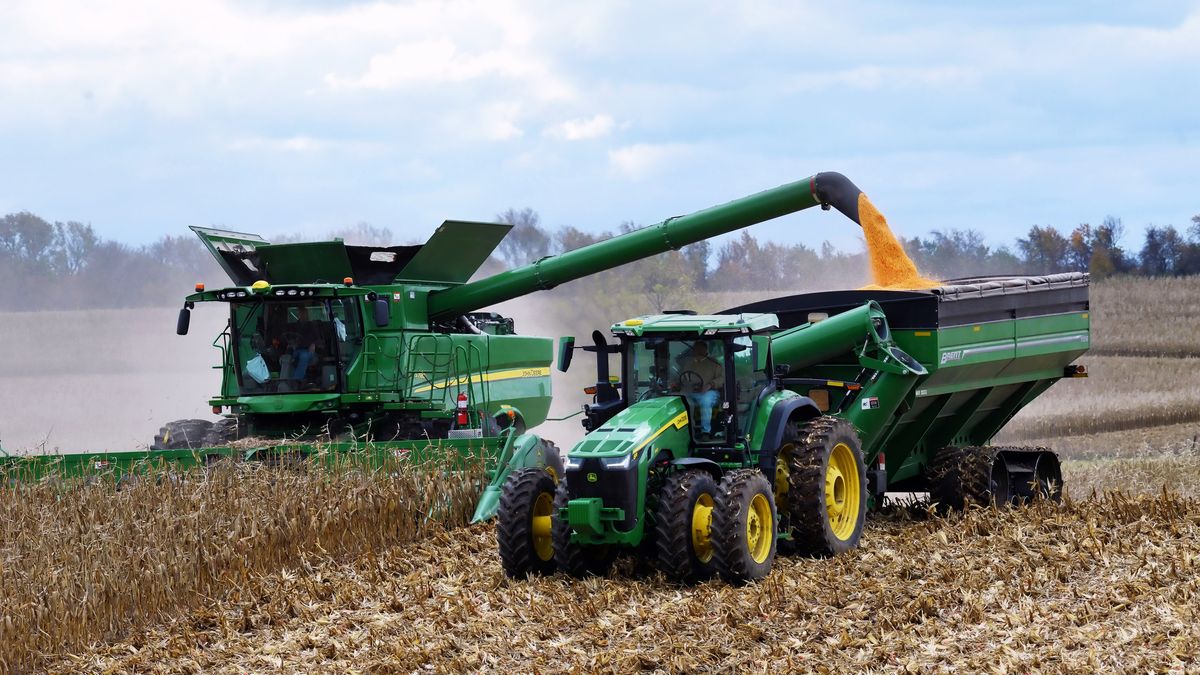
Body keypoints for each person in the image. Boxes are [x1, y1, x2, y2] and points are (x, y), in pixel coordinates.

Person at [672, 340, 724, 436]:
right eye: (696, 349)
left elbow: (721, 378)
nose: (698, 351)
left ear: (705, 350)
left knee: (706, 401)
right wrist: (676, 384)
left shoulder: (714, 363)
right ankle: (685, 430)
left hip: (708, 392)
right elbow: (682, 376)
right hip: (690, 391)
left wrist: (710, 385)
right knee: (676, 400)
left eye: (701, 349)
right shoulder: (688, 363)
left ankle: (705, 431)